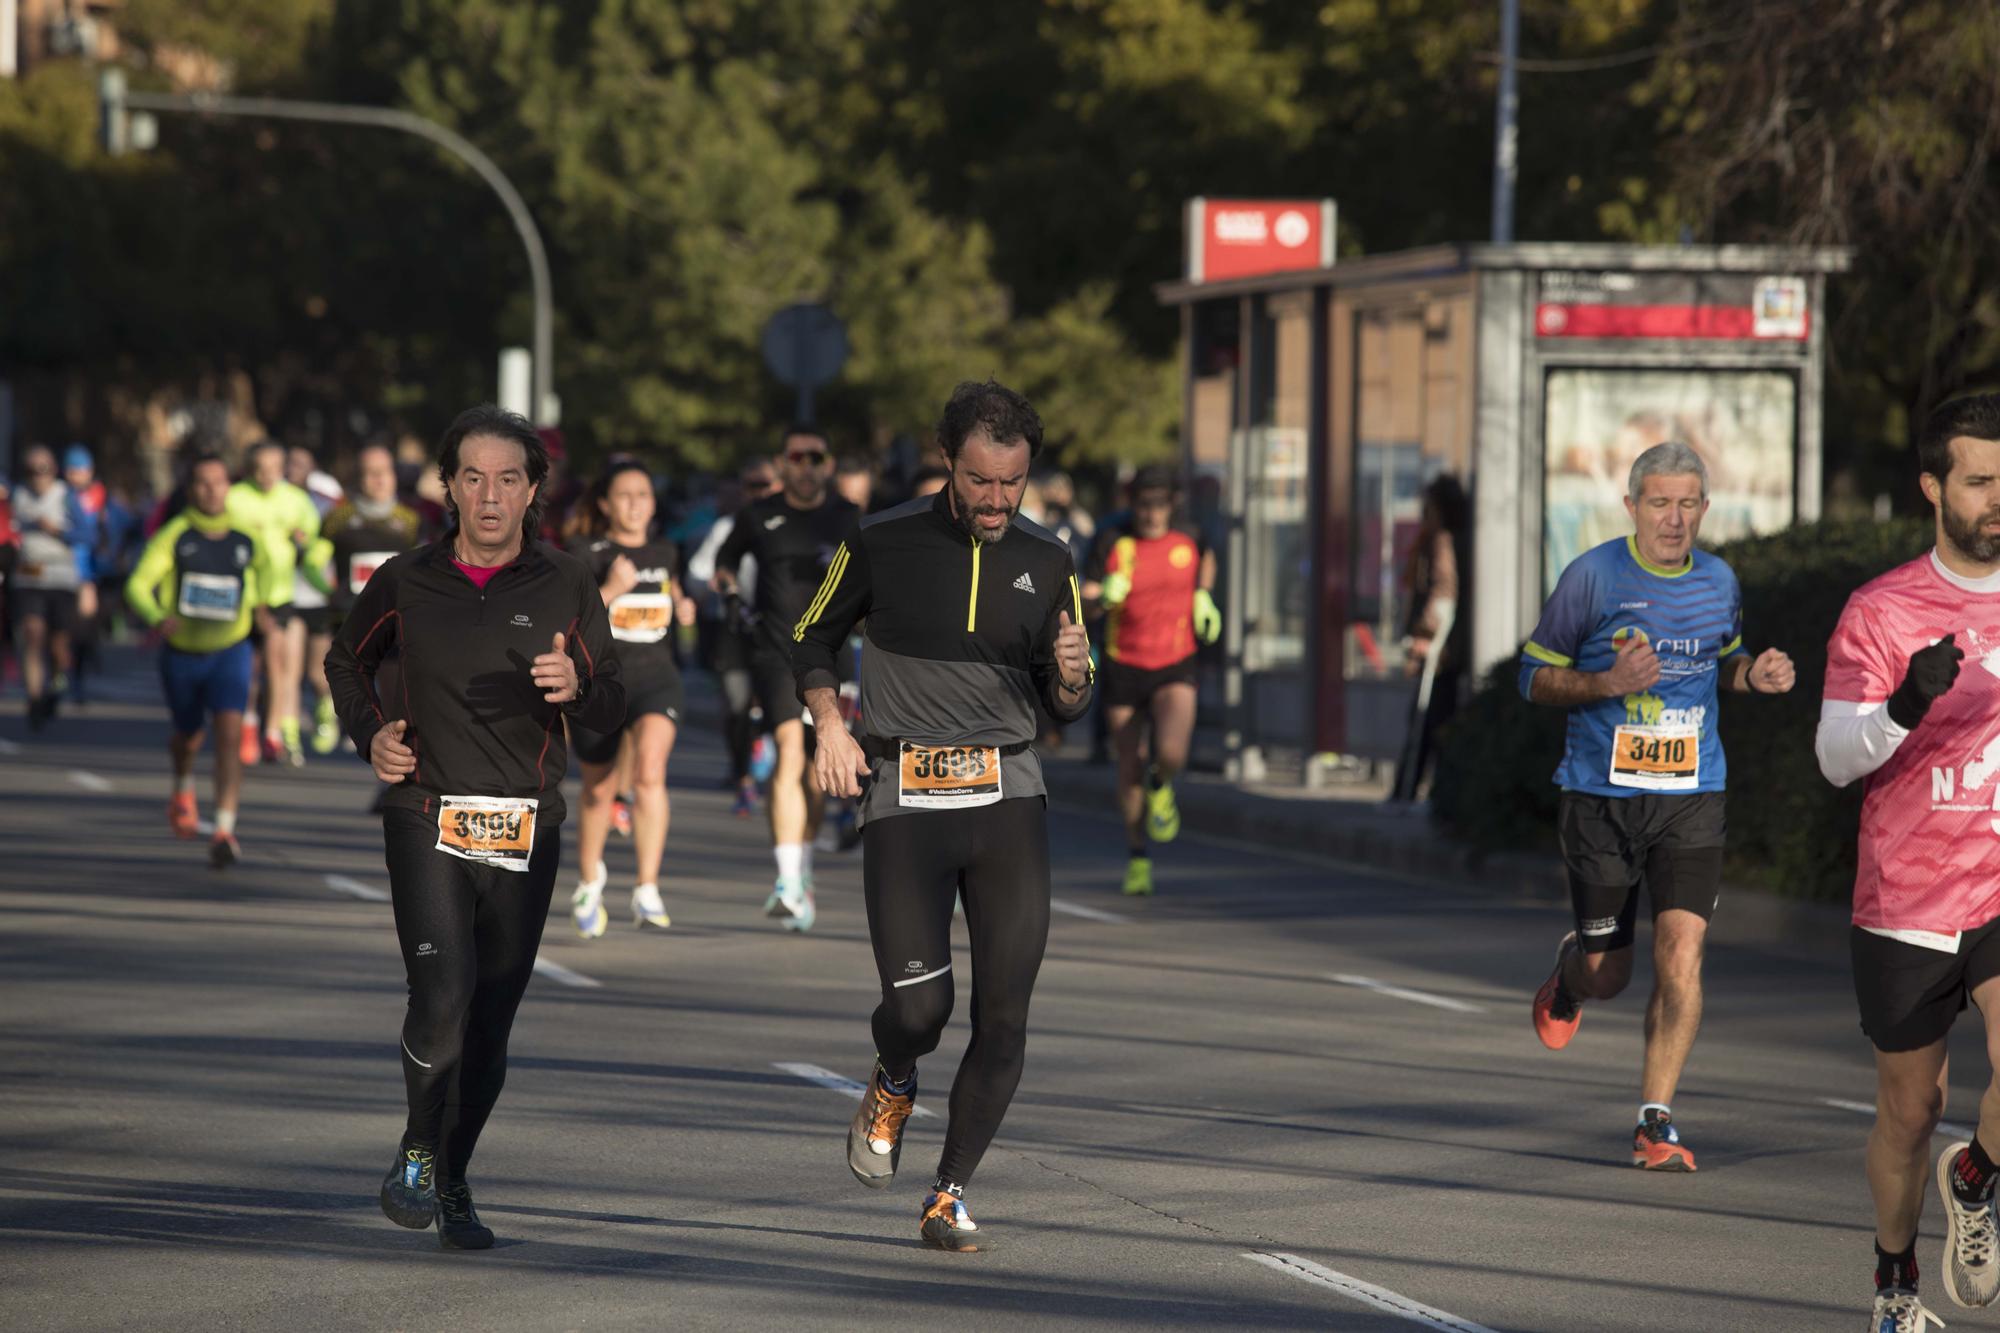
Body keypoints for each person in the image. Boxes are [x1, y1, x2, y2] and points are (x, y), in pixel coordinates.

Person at [797, 379, 1093, 1251]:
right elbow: (812, 635)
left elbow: (1066, 700)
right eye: (980, 480)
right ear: (947, 463)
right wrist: (827, 725)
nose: (997, 500)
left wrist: (1074, 674)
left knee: (1006, 1015)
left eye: (1013, 482)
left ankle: (948, 1190)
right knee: (922, 1009)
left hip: (1008, 796)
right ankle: (894, 1075)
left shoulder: (1052, 559)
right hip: (906, 795)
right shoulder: (880, 539)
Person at [325, 404, 622, 1250]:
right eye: (473, 478)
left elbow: (612, 703)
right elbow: (345, 658)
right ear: (450, 487)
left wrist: (577, 686)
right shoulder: (405, 579)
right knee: (442, 993)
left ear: (534, 491)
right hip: (426, 810)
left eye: (508, 479)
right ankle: (419, 1146)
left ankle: (453, 1176)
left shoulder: (566, 582)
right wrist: (370, 731)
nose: (490, 496)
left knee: (489, 1021)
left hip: (526, 825)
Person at [1521, 441, 1795, 1172]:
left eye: (1687, 505)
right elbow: (1533, 678)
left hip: (1692, 796)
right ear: (1632, 506)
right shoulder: (1592, 577)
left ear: (1704, 509)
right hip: (1600, 799)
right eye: (1659, 503)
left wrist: (1752, 676)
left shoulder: (1719, 580)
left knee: (1683, 954)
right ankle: (1572, 971)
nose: (1673, 519)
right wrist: (1606, 682)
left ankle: (1655, 1119)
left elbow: (1721, 663)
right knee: (1610, 975)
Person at [1818, 393, 2000, 1330]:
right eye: (1980, 480)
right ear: (1934, 487)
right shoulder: (1881, 609)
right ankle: (1895, 1285)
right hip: (1908, 895)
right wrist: (1902, 704)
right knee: (1910, 1107)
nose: (1999, 498)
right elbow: (1835, 755)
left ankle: (1977, 1177)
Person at [711, 426, 858, 930]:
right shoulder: (759, 514)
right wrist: (730, 594)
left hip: (834, 657)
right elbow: (724, 560)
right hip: (777, 651)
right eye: (798, 457)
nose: (807, 465)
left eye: (816, 457)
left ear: (828, 465)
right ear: (784, 463)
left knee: (820, 768)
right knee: (788, 752)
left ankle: (803, 867)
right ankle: (787, 879)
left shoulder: (847, 517)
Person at [125, 452, 275, 868]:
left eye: (219, 481)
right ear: (191, 489)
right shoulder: (175, 535)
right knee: (188, 738)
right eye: (203, 482)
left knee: (229, 734)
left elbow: (269, 574)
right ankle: (182, 784)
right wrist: (157, 617)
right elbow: (138, 584)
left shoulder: (246, 537)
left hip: (231, 650)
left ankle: (225, 829)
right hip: (182, 655)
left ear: (229, 486)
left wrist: (265, 605)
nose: (211, 489)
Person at [567, 460, 695, 937]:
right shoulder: (586, 552)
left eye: (643, 494)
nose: (635, 504)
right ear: (605, 503)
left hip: (657, 679)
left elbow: (675, 602)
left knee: (649, 772)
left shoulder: (666, 551)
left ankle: (647, 888)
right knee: (599, 789)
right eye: (624, 495)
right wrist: (613, 589)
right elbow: (572, 622)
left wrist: (684, 609)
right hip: (600, 682)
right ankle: (589, 880)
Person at [1083, 465, 1219, 897]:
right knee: (1129, 765)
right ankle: (1138, 855)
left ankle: (1163, 783)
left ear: (1171, 505)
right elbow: (1082, 591)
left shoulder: (1189, 534)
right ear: (1133, 503)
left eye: (1160, 506)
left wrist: (1202, 595)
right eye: (1144, 505)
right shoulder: (1111, 538)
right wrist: (1103, 594)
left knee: (1172, 751)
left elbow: (1208, 557)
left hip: (1175, 661)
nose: (1152, 515)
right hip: (1125, 663)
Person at [312, 442, 422, 755]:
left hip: (393, 621)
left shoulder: (410, 520)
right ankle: (347, 721)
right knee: (341, 679)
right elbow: (313, 561)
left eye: (384, 472)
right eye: (369, 473)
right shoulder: (338, 519)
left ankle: (390, 761)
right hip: (348, 616)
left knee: (392, 695)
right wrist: (328, 589)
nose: (378, 480)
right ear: (358, 478)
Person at [689, 458, 778, 815]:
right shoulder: (728, 526)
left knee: (778, 705)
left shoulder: (793, 526)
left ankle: (771, 759)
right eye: (751, 486)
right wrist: (716, 586)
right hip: (736, 629)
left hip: (779, 632)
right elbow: (698, 574)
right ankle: (743, 776)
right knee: (737, 704)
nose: (759, 493)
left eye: (766, 486)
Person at [227, 441, 322, 766]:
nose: (266, 475)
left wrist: (304, 540)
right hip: (242, 597)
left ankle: (273, 732)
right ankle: (249, 723)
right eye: (260, 468)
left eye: (273, 468)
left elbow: (312, 534)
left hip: (281, 594)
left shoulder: (295, 499)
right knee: (246, 669)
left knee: (279, 663)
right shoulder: (235, 498)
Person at [1389, 475, 1471, 804]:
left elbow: (1443, 591)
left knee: (1426, 723)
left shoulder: (1442, 541)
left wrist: (1425, 636)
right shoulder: (1450, 539)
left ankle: (1409, 792)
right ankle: (1426, 791)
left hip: (1441, 652)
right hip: (1449, 651)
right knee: (1435, 722)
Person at [10, 444, 96, 729]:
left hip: (60, 577)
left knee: (58, 643)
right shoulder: (16, 496)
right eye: (30, 470)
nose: (37, 476)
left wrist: (56, 531)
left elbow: (88, 534)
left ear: (54, 470)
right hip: (27, 577)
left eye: (43, 469)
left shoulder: (66, 496)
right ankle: (35, 699)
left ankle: (56, 683)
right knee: (32, 634)